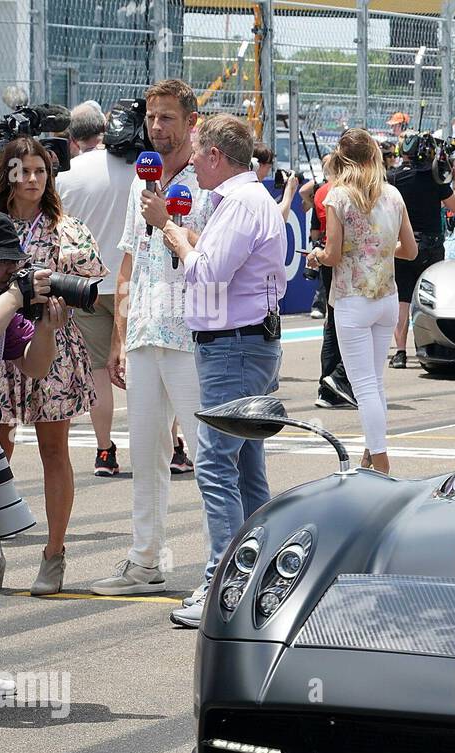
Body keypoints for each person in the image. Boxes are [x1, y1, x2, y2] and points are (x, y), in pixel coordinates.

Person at [159, 114, 287, 628]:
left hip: (233, 346)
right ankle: (257, 576)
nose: (191, 160)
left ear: (215, 154)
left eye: (197, 151)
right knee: (246, 462)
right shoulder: (250, 199)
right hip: (245, 344)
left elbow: (208, 274)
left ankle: (223, 581)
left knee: (215, 460)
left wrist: (175, 237)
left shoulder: (240, 203)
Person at [92, 79, 215, 598]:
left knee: (209, 455)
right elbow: (127, 261)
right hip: (143, 329)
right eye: (151, 116)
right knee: (145, 452)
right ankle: (144, 561)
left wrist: (170, 221)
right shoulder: (138, 183)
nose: (156, 126)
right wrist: (119, 334)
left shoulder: (211, 182)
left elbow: (211, 256)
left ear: (191, 122)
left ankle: (221, 568)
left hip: (191, 334)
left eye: (167, 117)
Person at [0, 137, 106, 596]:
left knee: (55, 451)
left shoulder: (66, 227)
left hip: (53, 346)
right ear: (8, 175)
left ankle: (53, 554)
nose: (33, 179)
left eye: (40, 171)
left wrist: (59, 308)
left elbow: (89, 283)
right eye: (24, 171)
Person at [0, 213, 63, 694]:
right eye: (0, 275)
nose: (9, 284)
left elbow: (37, 366)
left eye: (13, 275)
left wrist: (45, 326)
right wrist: (10, 298)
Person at [305, 130, 416, 476]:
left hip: (353, 299)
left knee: (363, 384)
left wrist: (318, 256)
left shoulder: (338, 196)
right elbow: (410, 251)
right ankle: (372, 450)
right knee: (375, 383)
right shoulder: (393, 194)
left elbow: (334, 254)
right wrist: (381, 252)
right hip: (386, 296)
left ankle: (380, 459)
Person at [56, 99, 138, 476]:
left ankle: (105, 450)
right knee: (144, 366)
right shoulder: (136, 166)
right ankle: (172, 446)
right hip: (130, 279)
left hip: (85, 282)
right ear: (105, 129)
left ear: (73, 138)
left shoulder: (66, 173)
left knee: (97, 372)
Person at [387, 131, 455, 369]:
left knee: (402, 299)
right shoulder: (435, 178)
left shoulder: (394, 177)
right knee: (431, 296)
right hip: (431, 245)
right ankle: (432, 345)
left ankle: (400, 352)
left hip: (403, 244)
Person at [309, 153, 354, 409]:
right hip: (344, 257)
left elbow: (316, 228)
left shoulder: (321, 192)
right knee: (345, 326)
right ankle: (335, 382)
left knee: (332, 323)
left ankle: (327, 385)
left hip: (326, 254)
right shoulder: (343, 194)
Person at [253, 141, 300, 222]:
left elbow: (275, 212)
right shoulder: (255, 189)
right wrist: (289, 189)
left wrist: (290, 191)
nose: (269, 169)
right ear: (258, 165)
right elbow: (279, 219)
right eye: (269, 164)